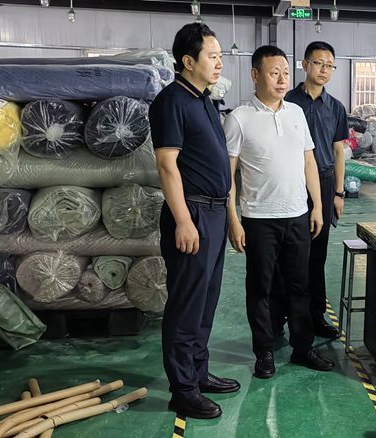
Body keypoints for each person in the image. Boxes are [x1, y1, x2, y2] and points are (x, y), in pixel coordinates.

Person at [223, 45, 335, 380]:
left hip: (297, 215)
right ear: (255, 75)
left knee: (300, 286)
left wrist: (317, 206)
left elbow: (309, 161)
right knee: (261, 289)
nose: (282, 79)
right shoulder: (239, 119)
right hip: (259, 220)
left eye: (285, 72)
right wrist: (233, 220)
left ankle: (302, 347)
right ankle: (264, 352)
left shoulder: (296, 114)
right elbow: (227, 175)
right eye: (274, 73)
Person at [149, 23, 239, 420]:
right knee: (186, 305)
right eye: (212, 56)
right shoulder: (171, 101)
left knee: (206, 301)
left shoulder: (204, 99)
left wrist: (229, 215)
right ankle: (182, 390)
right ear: (188, 61)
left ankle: (198, 373)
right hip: (193, 213)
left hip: (215, 212)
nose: (219, 63)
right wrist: (183, 221)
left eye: (220, 56)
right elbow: (167, 166)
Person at [274, 41, 350, 340]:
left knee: (317, 256)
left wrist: (338, 193)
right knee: (288, 255)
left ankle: (316, 317)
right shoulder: (287, 101)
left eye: (330, 65)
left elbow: (339, 151)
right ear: (305, 65)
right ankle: (280, 318)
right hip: (292, 182)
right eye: (319, 63)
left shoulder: (336, 108)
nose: (324, 70)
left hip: (325, 182)